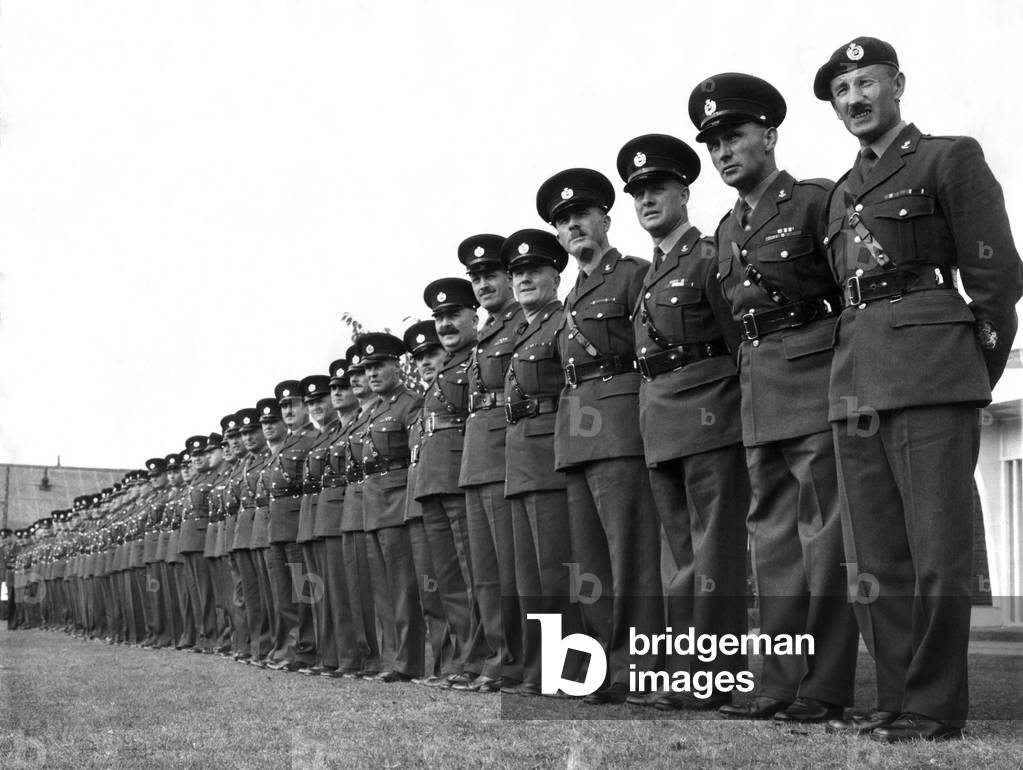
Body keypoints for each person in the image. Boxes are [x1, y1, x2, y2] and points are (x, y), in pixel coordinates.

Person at [813, 37, 1023, 741]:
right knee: (873, 559)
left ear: (896, 84)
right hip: (856, 378)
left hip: (931, 373)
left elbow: (995, 281)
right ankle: (896, 698)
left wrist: (968, 374)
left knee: (935, 552)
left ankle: (933, 705)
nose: (855, 100)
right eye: (842, 91)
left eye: (866, 83)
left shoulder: (947, 157)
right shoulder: (840, 193)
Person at [689, 72, 860, 723]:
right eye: (713, 144)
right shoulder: (725, 232)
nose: (723, 152)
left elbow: (851, 297)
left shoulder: (816, 200)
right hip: (759, 396)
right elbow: (735, 329)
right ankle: (777, 682)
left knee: (825, 542)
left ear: (768, 133)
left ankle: (824, 687)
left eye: (733, 136)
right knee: (774, 548)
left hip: (818, 384)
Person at [615, 133, 750, 711]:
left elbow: (738, 338)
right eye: (638, 192)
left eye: (658, 188)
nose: (647, 200)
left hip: (710, 410)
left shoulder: (709, 254)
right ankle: (683, 669)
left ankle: (714, 673)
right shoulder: (651, 271)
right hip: (662, 417)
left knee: (714, 549)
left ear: (685, 193)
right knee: (679, 555)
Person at [536, 168, 663, 704]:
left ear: (605, 220)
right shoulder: (570, 297)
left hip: (620, 429)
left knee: (631, 554)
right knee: (590, 563)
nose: (574, 227)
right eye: (563, 222)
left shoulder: (633, 274)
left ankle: (645, 663)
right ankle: (609, 662)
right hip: (577, 438)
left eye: (581, 216)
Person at [500, 228, 586, 697]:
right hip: (521, 458)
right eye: (517, 273)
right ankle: (541, 668)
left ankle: (571, 669)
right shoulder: (523, 330)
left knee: (557, 570)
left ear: (556, 274)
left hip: (551, 453)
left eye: (534, 270)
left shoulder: (563, 320)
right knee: (531, 577)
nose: (524, 279)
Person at [412, 278, 490, 688]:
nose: (445, 324)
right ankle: (464, 659)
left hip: (461, 472)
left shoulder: (477, 357)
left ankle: (481, 659)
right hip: (432, 480)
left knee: (473, 573)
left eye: (453, 315)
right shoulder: (443, 367)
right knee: (450, 580)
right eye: (439, 318)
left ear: (474, 317)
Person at [457, 234, 525, 692]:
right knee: (485, 572)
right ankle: (498, 656)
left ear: (509, 277)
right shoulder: (482, 335)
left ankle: (518, 659)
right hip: (477, 455)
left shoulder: (523, 322)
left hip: (507, 453)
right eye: (476, 278)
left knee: (512, 568)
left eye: (491, 275)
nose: (483, 284)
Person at [357, 332, 426, 682]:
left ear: (396, 366)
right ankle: (392, 658)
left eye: (380, 366)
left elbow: (415, 454)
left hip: (397, 500)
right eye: (368, 368)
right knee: (383, 590)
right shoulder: (375, 410)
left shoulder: (409, 403)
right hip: (373, 502)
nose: (373, 374)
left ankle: (408, 661)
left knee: (403, 587)